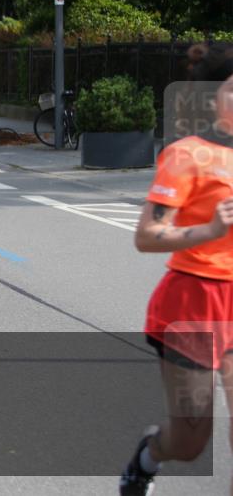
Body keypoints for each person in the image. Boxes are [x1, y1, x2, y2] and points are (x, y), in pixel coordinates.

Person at [119, 44, 233, 496]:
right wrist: (210, 229)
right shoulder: (189, 155)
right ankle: (148, 457)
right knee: (188, 441)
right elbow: (147, 236)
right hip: (194, 304)